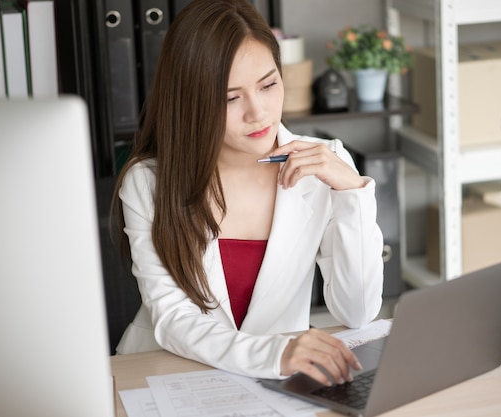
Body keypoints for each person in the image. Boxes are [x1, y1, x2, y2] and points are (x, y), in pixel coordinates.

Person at [112, 0, 384, 387]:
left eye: (269, 84)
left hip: (275, 383)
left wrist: (352, 193)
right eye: (230, 97)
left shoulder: (325, 163)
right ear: (192, 102)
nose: (258, 112)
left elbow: (357, 312)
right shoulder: (148, 182)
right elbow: (175, 320)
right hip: (169, 372)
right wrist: (275, 355)